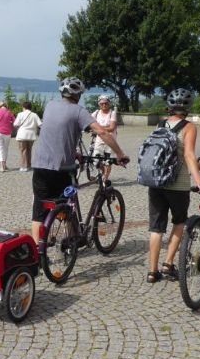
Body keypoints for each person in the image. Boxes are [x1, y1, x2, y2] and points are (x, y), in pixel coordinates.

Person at [30, 77, 128, 243]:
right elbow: (103, 133)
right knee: (68, 206)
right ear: (78, 95)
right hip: (61, 169)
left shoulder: (50, 106)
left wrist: (74, 152)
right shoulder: (78, 111)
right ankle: (72, 242)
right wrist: (120, 154)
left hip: (39, 165)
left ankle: (36, 251)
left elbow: (57, 133)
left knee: (39, 211)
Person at [146, 88, 200, 283]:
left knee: (156, 228)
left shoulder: (160, 124)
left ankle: (152, 272)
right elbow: (188, 154)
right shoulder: (189, 127)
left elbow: (171, 153)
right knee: (179, 222)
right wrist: (199, 179)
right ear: (189, 107)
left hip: (156, 182)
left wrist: (199, 166)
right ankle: (167, 264)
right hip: (177, 185)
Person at [90, 95, 118, 181]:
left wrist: (98, 129)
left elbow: (112, 128)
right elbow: (89, 122)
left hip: (110, 140)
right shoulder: (96, 113)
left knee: (108, 161)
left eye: (106, 103)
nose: (104, 105)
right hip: (99, 140)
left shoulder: (112, 113)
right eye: (102, 103)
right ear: (99, 104)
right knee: (95, 160)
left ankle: (105, 178)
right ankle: (104, 172)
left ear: (109, 103)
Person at [13, 101, 41, 172]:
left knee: (23, 151)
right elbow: (40, 124)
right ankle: (29, 165)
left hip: (22, 135)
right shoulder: (34, 115)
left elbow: (15, 124)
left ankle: (24, 166)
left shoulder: (20, 114)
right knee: (29, 150)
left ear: (24, 107)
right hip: (31, 135)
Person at [0, 100, 15, 172]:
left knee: (0, 148)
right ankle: (4, 165)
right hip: (8, 133)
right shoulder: (10, 112)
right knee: (5, 148)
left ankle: (2, 166)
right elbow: (14, 122)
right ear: (6, 105)